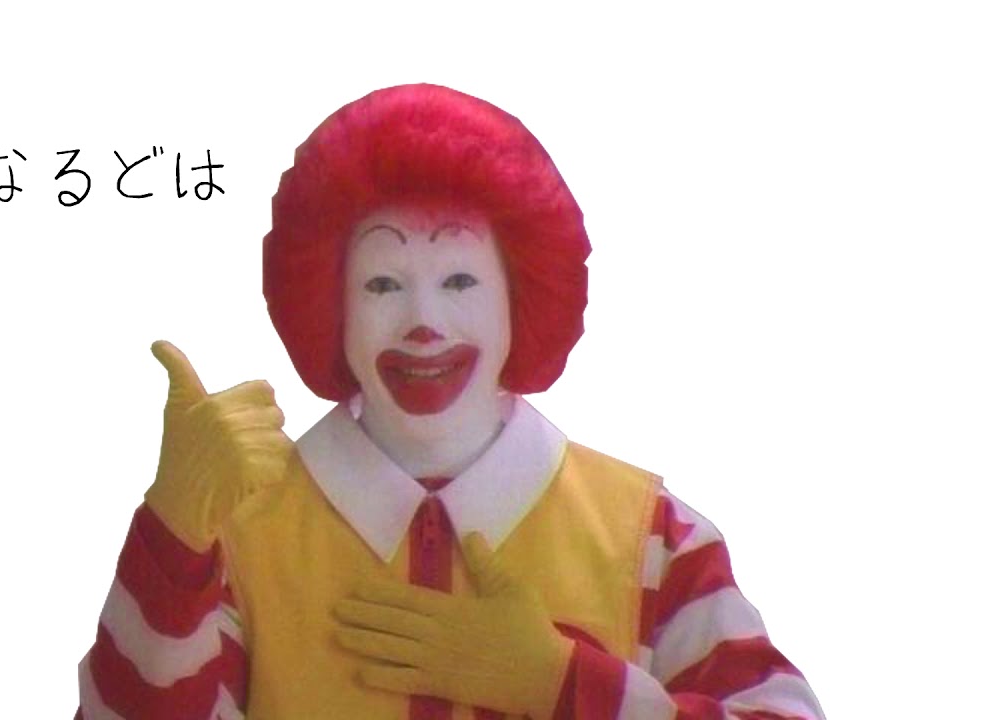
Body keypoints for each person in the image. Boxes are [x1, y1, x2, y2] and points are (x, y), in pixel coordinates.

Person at [76, 84, 825, 719]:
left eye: (459, 281)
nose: (424, 322)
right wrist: (172, 537)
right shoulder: (240, 543)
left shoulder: (653, 540)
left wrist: (565, 684)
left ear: (518, 296)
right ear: (332, 308)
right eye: (383, 284)